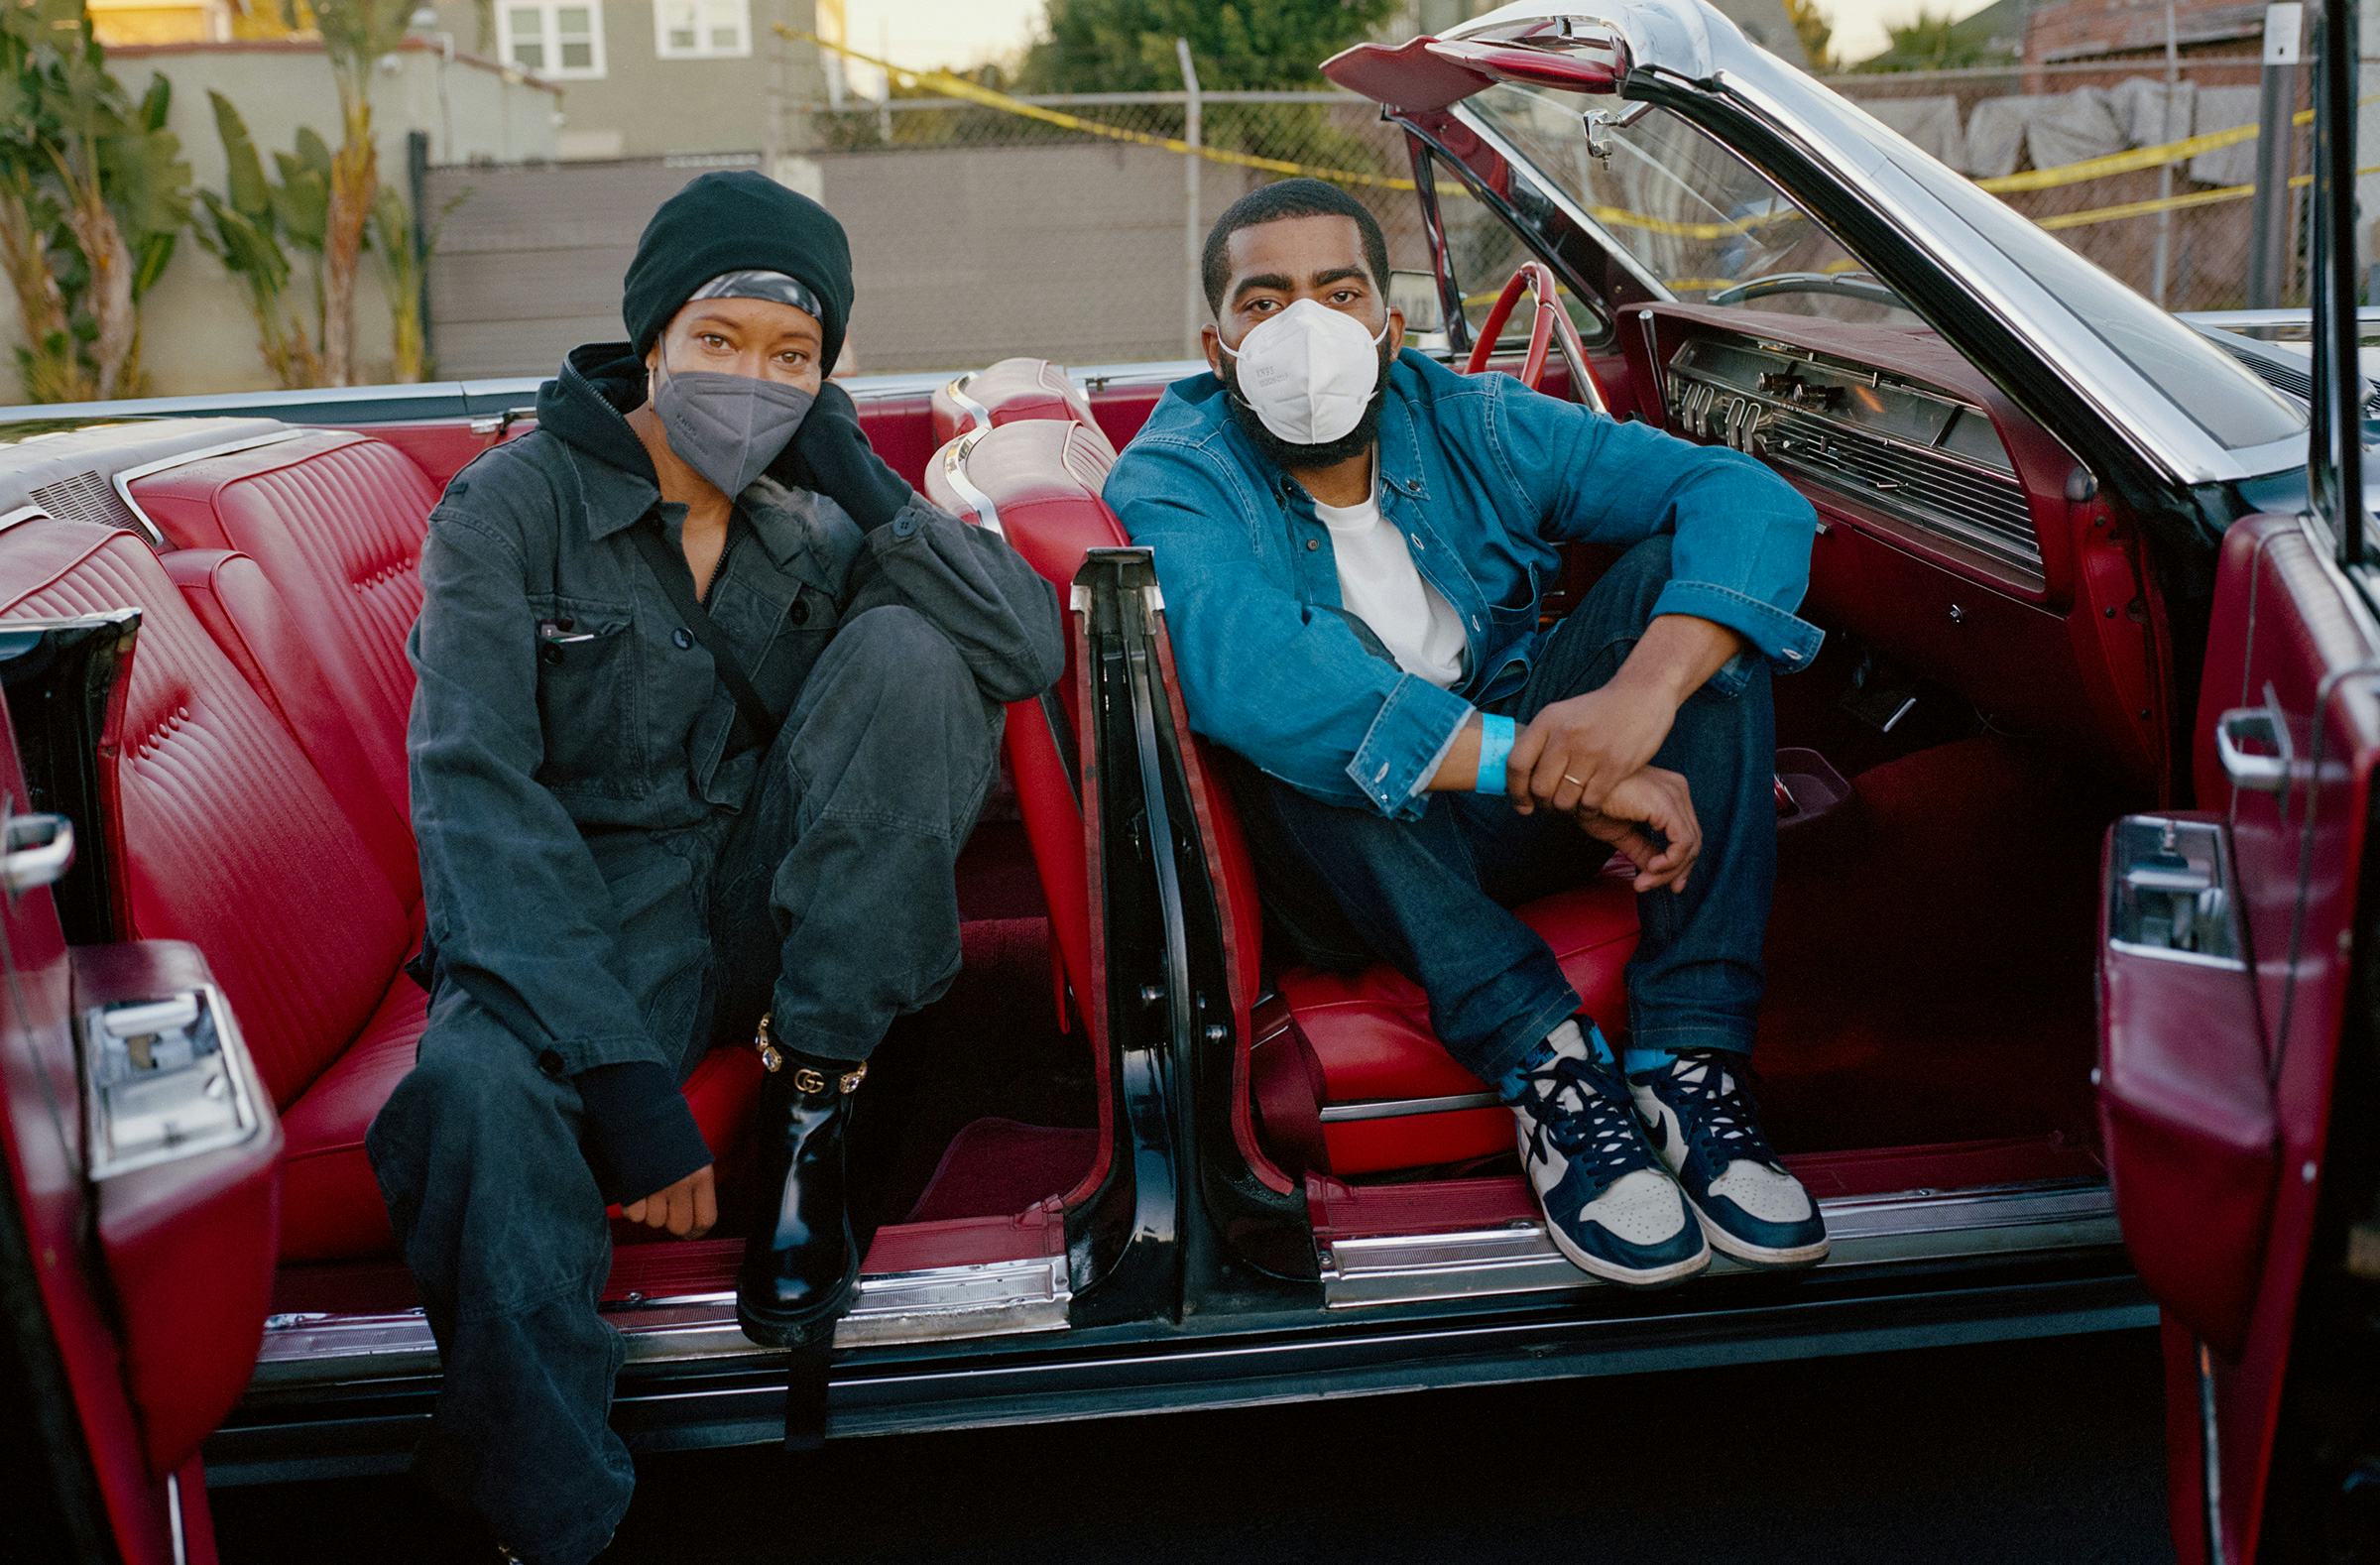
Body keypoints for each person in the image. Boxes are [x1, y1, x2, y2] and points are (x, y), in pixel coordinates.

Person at [366, 170, 1065, 1564]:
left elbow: (1022, 649)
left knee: (920, 654)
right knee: (470, 1093)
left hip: (770, 900)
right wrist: (629, 1091)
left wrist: (860, 470)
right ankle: (547, 1518)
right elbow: (477, 800)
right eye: (721, 342)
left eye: (793, 357)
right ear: (653, 336)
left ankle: (819, 1100)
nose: (752, 382)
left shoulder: (813, 505)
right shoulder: (508, 509)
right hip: (578, 917)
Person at [1104, 179, 1827, 1291]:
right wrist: (1556, 771)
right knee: (1324, 723)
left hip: (1508, 810)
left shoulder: (1469, 418)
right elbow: (1263, 676)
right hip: (1345, 860)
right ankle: (1548, 1066)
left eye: (1340, 293)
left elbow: (1744, 495)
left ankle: (1691, 1061)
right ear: (1217, 340)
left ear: (1390, 325)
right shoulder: (1175, 470)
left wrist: (1638, 700)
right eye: (1267, 301)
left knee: (1693, 610)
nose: (1308, 329)